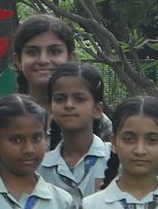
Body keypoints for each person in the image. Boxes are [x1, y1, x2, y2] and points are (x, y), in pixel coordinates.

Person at [39, 63, 112, 197]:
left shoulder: (116, 159)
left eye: (80, 99)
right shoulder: (40, 167)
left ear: (97, 110)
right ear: (51, 108)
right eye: (60, 99)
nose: (69, 105)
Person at [10, 15, 76, 109]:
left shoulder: (91, 114)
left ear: (71, 58)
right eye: (32, 52)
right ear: (18, 60)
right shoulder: (6, 115)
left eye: (54, 51)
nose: (43, 60)